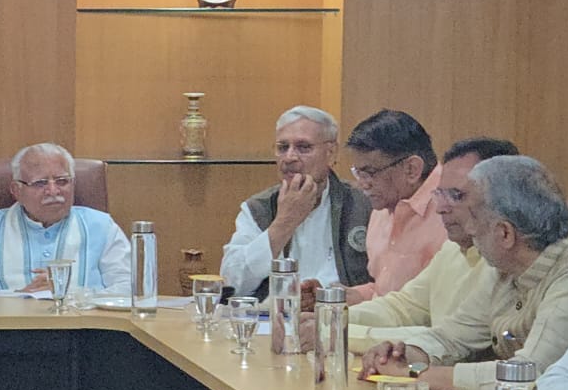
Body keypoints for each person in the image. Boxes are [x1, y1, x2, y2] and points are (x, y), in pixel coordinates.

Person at [360, 156, 568, 390]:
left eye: (474, 217)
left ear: (505, 234)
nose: (468, 229)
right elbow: (452, 337)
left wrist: (416, 374)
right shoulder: (507, 267)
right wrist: (405, 355)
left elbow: (527, 375)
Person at [342, 137, 517, 354]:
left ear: (501, 198)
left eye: (457, 195)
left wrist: (336, 331)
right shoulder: (452, 249)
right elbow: (403, 307)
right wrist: (332, 317)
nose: (440, 208)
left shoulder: (507, 263)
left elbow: (449, 340)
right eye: (440, 194)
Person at [0, 143, 131, 295]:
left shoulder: (102, 226)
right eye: (40, 183)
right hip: (9, 331)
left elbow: (132, 288)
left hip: (84, 331)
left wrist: (71, 293)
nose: (53, 191)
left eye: (62, 181)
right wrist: (18, 296)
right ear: (16, 190)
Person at [221, 106, 372, 301]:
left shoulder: (365, 203)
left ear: (331, 153)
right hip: (274, 315)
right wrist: (284, 223)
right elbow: (232, 283)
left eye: (303, 147)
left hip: (344, 313)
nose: (289, 157)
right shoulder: (258, 208)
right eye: (282, 147)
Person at [342, 110, 446, 303]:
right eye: (358, 173)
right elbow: (384, 290)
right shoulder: (384, 205)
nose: (362, 184)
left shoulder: (453, 209)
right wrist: (348, 297)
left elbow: (444, 306)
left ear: (412, 169)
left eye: (370, 173)